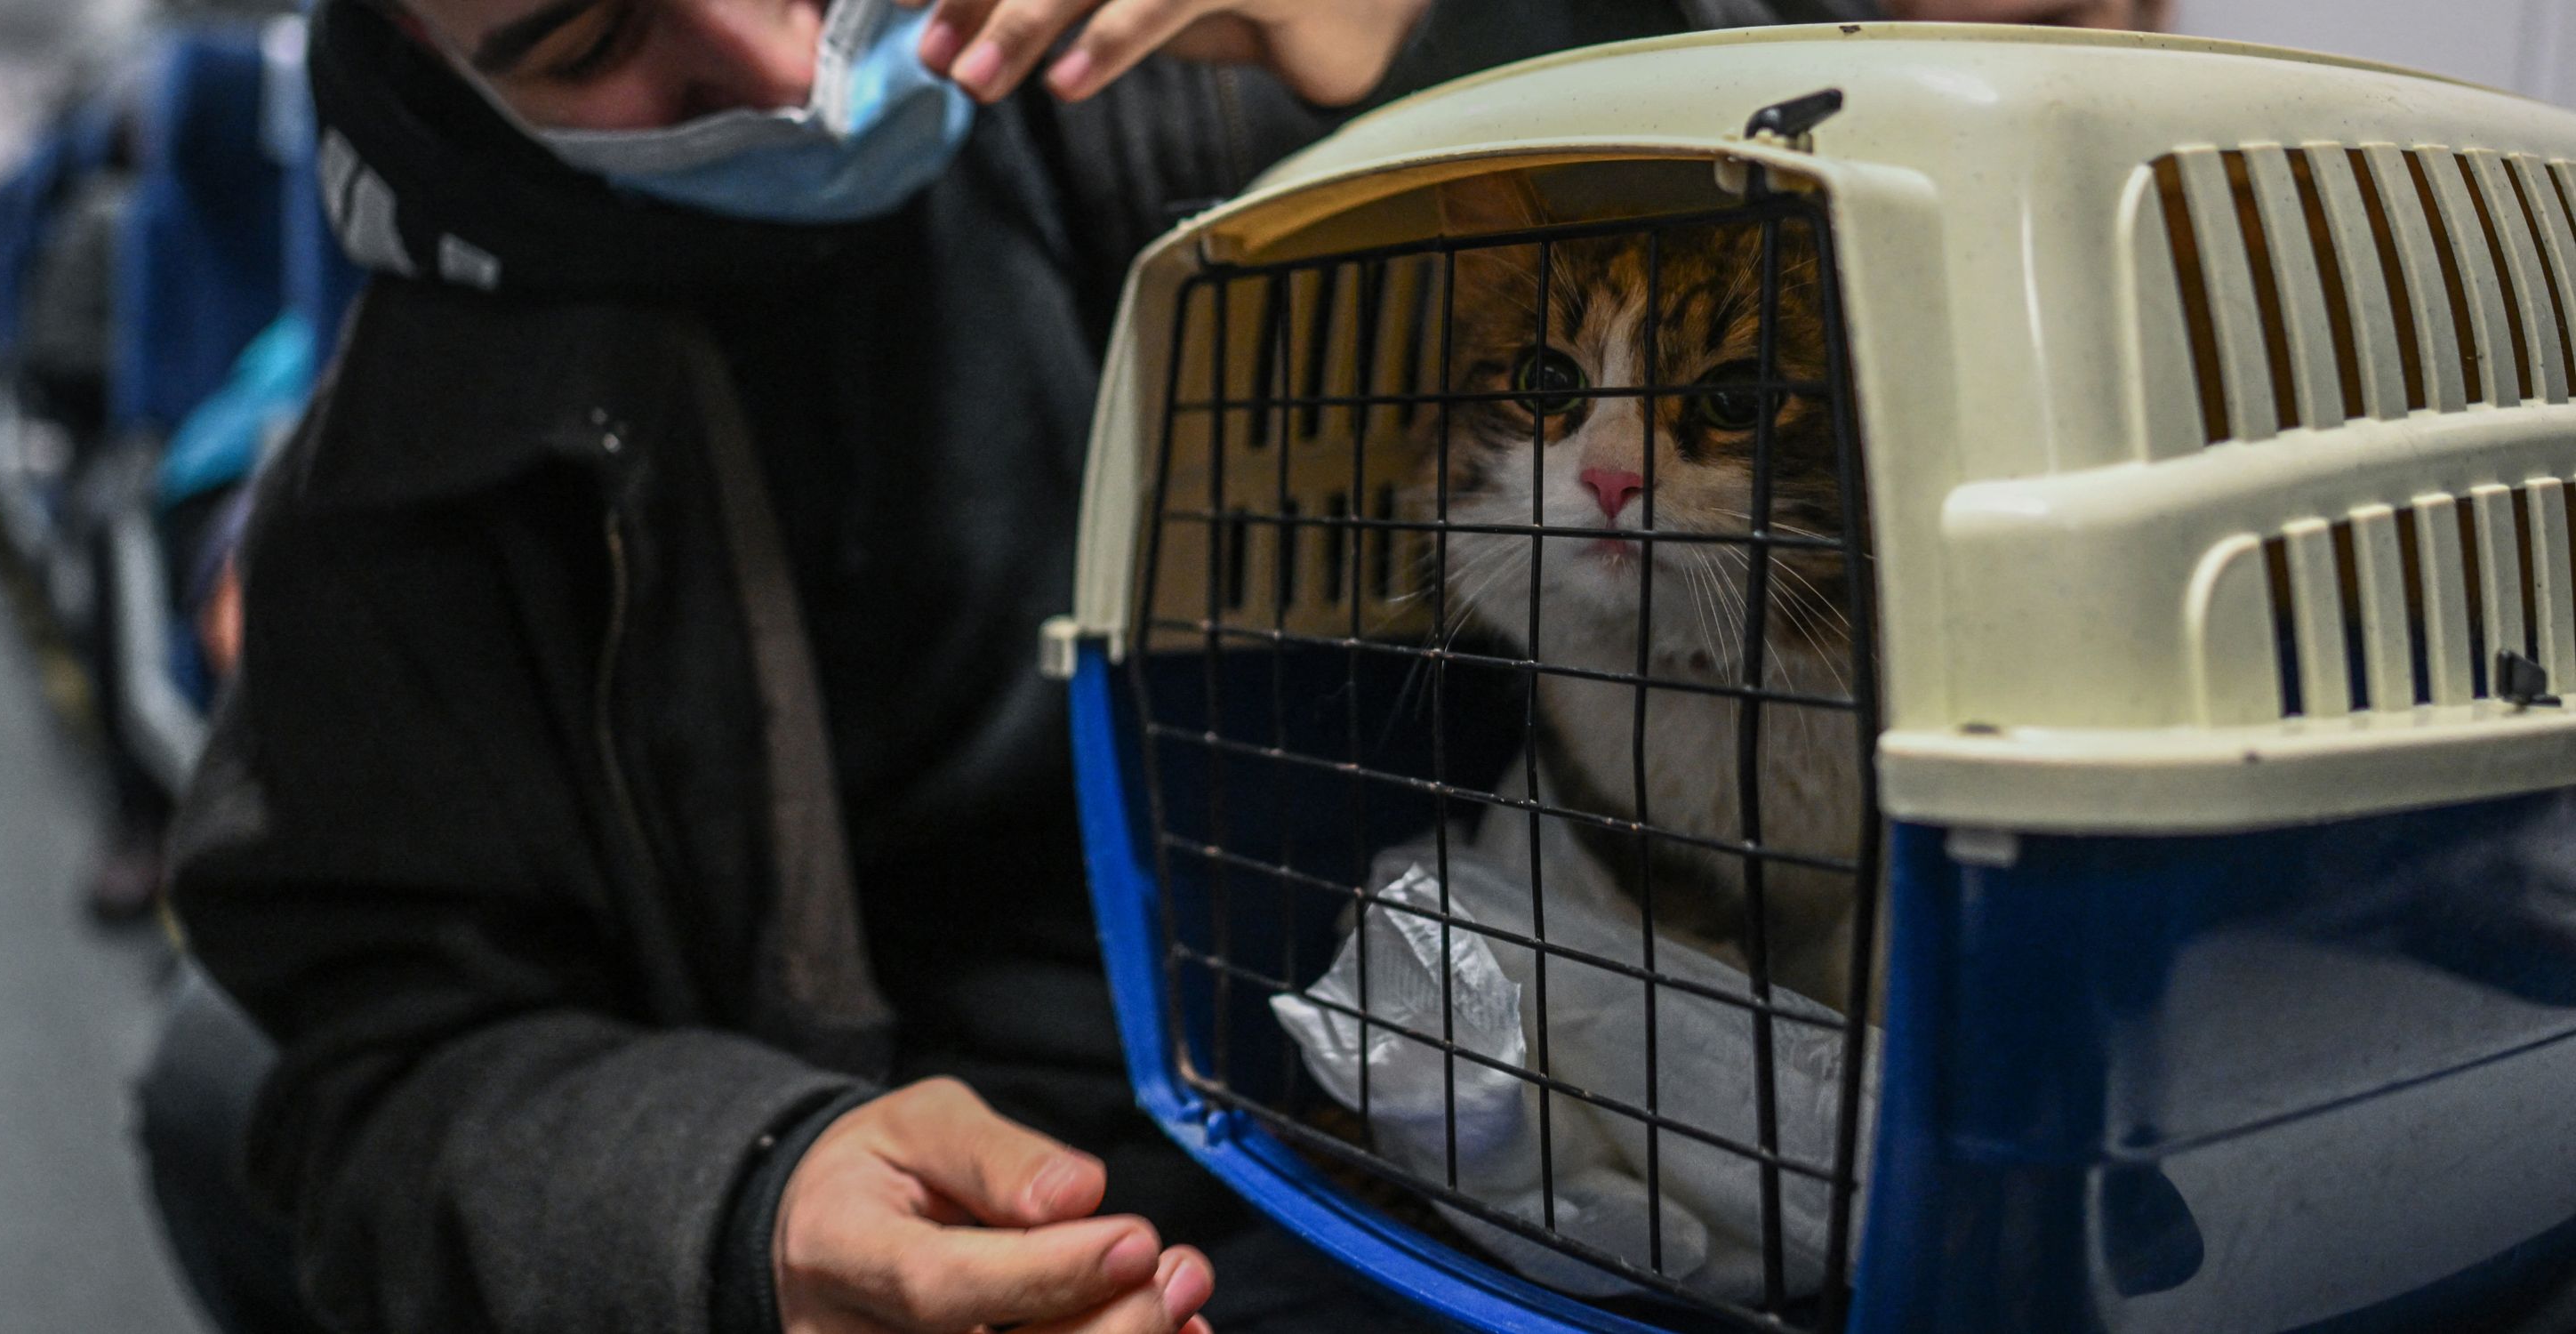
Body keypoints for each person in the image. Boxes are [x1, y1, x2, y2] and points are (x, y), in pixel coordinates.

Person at [156, 1, 2184, 1331]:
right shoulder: (409, 473)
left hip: (1427, 1076)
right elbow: (378, 1068)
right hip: (966, 1188)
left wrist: (1420, 34)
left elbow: (1844, 179)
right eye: (594, 35)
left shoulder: (1140, 70)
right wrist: (740, 1202)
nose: (775, 62)